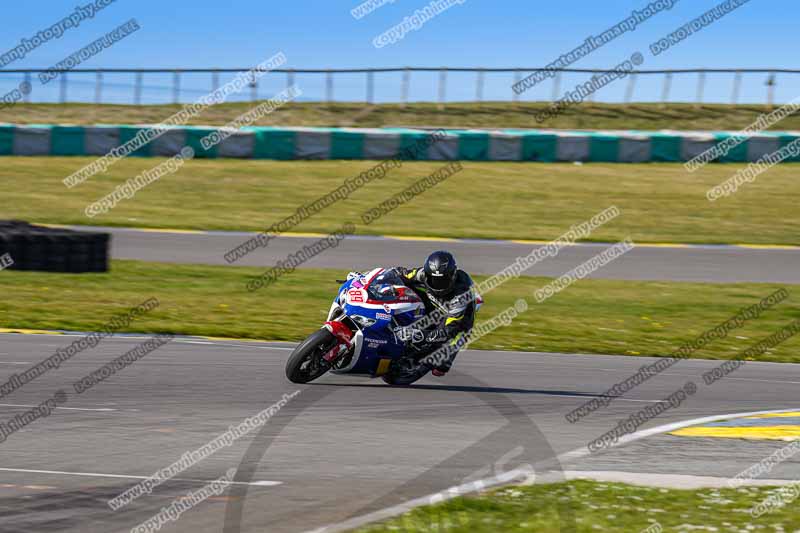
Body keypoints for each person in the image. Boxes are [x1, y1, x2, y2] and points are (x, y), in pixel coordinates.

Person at [392, 250, 478, 377]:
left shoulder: (461, 295)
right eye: (433, 280)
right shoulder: (422, 274)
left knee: (440, 368)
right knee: (401, 288)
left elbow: (448, 331)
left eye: (442, 280)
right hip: (433, 303)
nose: (437, 284)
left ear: (452, 276)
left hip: (456, 321)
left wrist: (418, 335)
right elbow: (398, 273)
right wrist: (368, 277)